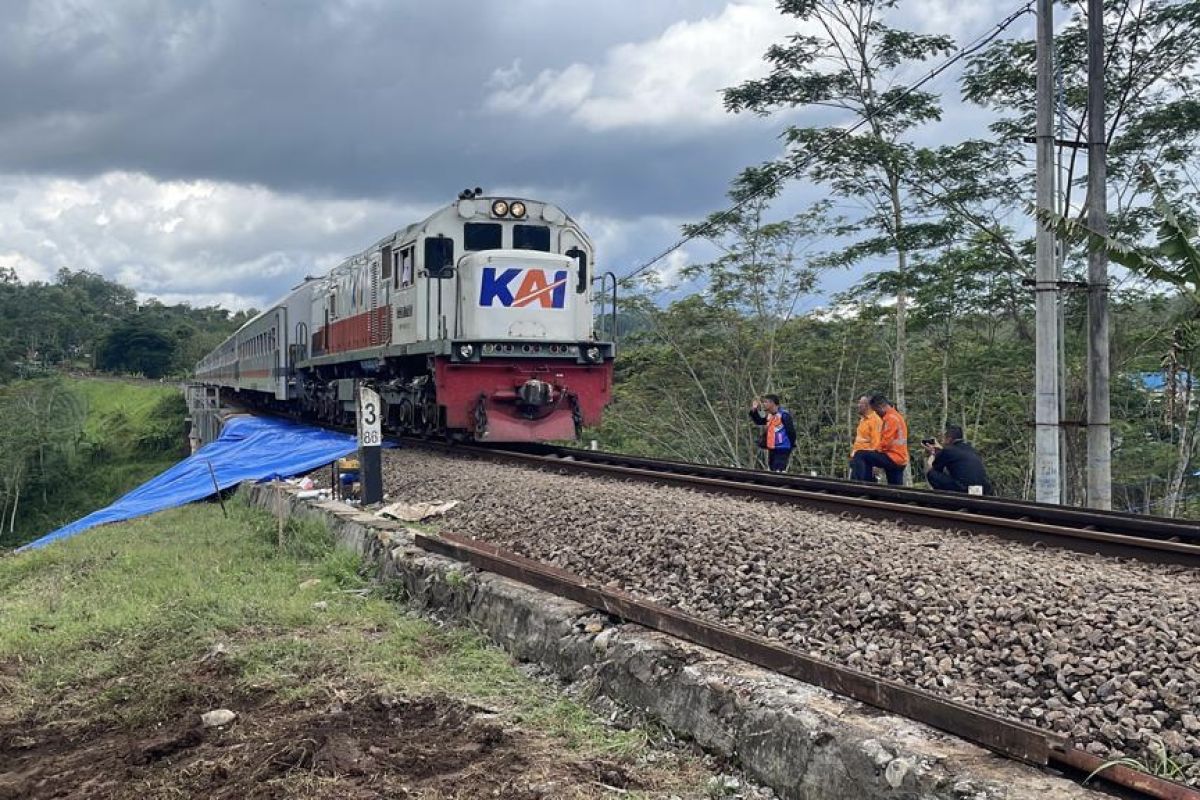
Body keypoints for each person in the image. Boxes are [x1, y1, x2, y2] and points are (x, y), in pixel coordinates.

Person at [849, 394, 908, 485]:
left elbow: (885, 442)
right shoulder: (897, 416)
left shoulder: (890, 418)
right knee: (895, 489)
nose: (876, 413)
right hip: (900, 458)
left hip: (893, 457)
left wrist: (875, 453)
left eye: (876, 411)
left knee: (860, 455)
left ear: (880, 407)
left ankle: (863, 485)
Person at [923, 425, 994, 495]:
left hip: (964, 490)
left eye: (944, 438)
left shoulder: (948, 451)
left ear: (949, 439)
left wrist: (932, 453)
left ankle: (944, 500)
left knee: (931, 473)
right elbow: (955, 455)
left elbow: (934, 467)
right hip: (982, 490)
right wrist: (940, 449)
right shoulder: (971, 449)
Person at [749, 394, 796, 473]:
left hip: (783, 448)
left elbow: (791, 432)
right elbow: (759, 421)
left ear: (772, 403)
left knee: (779, 471)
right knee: (772, 470)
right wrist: (754, 410)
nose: (764, 404)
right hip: (772, 448)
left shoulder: (784, 415)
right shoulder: (770, 416)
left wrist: (790, 445)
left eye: (766, 402)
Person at [848, 395, 882, 481]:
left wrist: (876, 465)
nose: (858, 405)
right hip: (857, 460)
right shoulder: (863, 420)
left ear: (868, 406)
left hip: (867, 463)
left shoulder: (875, 420)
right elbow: (859, 440)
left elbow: (877, 443)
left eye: (860, 403)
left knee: (865, 489)